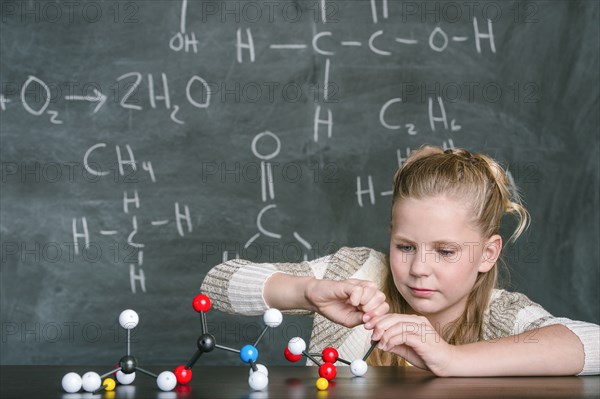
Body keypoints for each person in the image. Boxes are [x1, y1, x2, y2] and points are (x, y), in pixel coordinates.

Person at [201, 145, 599, 376]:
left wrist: (451, 359)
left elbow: (593, 343)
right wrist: (307, 290)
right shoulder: (357, 275)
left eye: (445, 251)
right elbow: (217, 284)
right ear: (391, 235)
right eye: (406, 247)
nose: (419, 268)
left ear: (488, 253)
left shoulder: (499, 314)